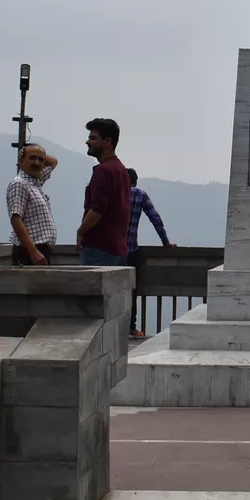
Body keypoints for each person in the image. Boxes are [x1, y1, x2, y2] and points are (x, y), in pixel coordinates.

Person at [126, 168, 175, 340]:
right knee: (131, 291)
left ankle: (110, 326)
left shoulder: (114, 193)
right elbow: (155, 219)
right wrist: (165, 241)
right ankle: (131, 327)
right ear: (135, 181)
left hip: (112, 252)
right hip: (131, 251)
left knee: (113, 290)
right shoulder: (140, 195)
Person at [77, 118, 130, 266]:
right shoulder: (121, 170)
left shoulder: (103, 170)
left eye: (93, 138)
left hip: (98, 249)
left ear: (107, 141)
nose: (88, 142)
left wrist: (81, 231)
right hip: (118, 248)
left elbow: (97, 209)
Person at [6, 144, 59, 265]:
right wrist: (33, 251)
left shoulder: (36, 181)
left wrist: (29, 150)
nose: (37, 162)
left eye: (41, 159)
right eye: (32, 158)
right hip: (29, 252)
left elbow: (54, 162)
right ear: (20, 162)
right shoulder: (20, 184)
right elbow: (15, 219)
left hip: (40, 250)